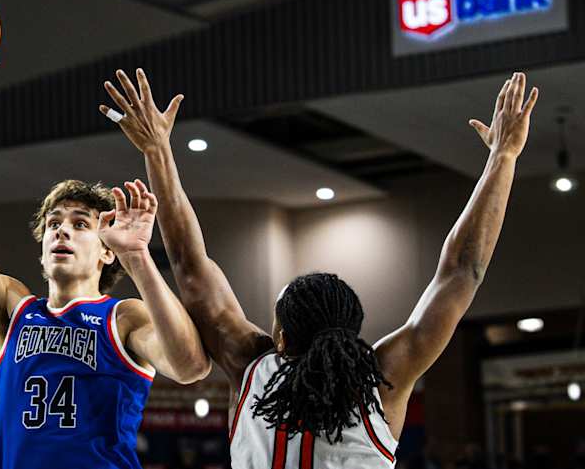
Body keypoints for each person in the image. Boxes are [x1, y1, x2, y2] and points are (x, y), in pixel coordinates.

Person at [101, 69, 538, 468]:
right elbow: (463, 270)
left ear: (280, 338)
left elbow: (188, 264)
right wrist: (503, 157)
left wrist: (157, 149)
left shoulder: (251, 365)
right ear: (353, 331)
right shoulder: (383, 379)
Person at [0, 53, 211, 469]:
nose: (62, 230)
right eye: (53, 223)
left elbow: (190, 366)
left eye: (81, 224)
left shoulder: (123, 318)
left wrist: (137, 256)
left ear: (107, 250)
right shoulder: (12, 309)